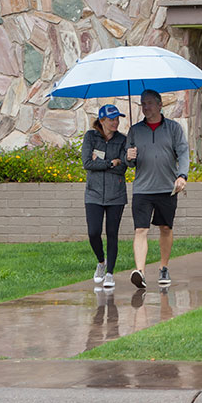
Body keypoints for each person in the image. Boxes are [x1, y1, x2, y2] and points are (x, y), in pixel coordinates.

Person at [126, 89, 189, 289]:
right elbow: (129, 164)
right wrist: (130, 157)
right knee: (140, 229)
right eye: (143, 103)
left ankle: (163, 267)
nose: (146, 107)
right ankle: (140, 272)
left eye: (150, 103)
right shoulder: (135, 131)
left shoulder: (173, 128)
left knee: (165, 228)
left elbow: (183, 153)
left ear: (160, 105)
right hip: (142, 189)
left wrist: (182, 175)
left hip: (166, 188)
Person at [82, 104, 128, 290]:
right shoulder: (90, 137)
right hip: (93, 193)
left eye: (117, 119)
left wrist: (102, 162)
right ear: (102, 121)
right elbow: (87, 163)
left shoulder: (123, 140)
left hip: (116, 194)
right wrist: (111, 162)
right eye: (111, 119)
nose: (116, 122)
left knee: (112, 233)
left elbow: (123, 167)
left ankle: (110, 273)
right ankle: (101, 262)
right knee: (93, 232)